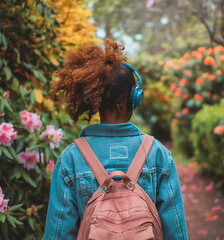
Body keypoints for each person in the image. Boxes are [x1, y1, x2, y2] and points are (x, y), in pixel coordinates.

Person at [44, 39, 188, 240]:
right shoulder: (157, 155)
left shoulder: (71, 159)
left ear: (96, 101)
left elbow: (58, 234)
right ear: (130, 101)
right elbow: (176, 232)